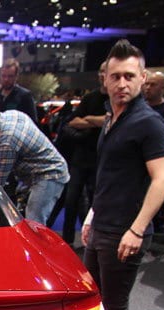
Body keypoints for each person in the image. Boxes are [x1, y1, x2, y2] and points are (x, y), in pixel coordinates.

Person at [80, 40, 164, 310]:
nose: (122, 83)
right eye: (116, 76)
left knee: (114, 306)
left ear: (142, 78)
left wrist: (137, 229)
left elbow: (162, 180)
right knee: (94, 301)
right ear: (105, 79)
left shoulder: (149, 123)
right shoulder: (112, 119)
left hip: (125, 230)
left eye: (129, 76)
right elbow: (109, 174)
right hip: (102, 224)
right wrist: (92, 214)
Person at [0, 103, 69, 225]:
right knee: (25, 217)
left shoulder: (6, 141)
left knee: (34, 222)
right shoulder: (12, 114)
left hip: (49, 174)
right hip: (41, 169)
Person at [61, 63, 108, 245]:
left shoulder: (115, 100)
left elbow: (111, 120)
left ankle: (93, 240)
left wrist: (89, 120)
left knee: (96, 202)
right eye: (101, 71)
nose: (103, 75)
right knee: (71, 200)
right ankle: (67, 240)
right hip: (80, 157)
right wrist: (98, 121)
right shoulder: (90, 98)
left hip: (101, 160)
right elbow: (73, 122)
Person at [0, 58, 37, 122]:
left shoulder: (25, 96)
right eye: (3, 76)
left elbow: (33, 121)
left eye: (10, 76)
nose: (6, 79)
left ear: (16, 76)